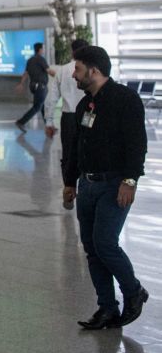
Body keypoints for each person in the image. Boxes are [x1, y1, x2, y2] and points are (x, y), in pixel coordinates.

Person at [62, 45, 149, 330]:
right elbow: (75, 147)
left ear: (94, 70)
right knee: (91, 248)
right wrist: (69, 182)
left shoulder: (126, 100)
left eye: (77, 68)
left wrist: (130, 181)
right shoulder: (84, 105)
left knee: (105, 243)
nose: (73, 74)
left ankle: (133, 291)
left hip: (115, 185)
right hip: (87, 185)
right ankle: (107, 308)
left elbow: (137, 145)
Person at [47, 39, 89, 195]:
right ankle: (85, 187)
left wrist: (49, 121)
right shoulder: (92, 69)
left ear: (72, 52)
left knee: (68, 153)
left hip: (69, 118)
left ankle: (69, 188)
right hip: (88, 115)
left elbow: (52, 98)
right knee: (87, 149)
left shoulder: (63, 70)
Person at [15, 42, 50, 131]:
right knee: (37, 107)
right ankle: (21, 122)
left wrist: (21, 83)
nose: (44, 50)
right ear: (40, 50)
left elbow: (26, 73)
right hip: (40, 86)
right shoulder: (41, 59)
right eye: (43, 48)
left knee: (42, 106)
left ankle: (48, 126)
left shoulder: (30, 60)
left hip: (33, 86)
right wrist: (60, 75)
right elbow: (49, 71)